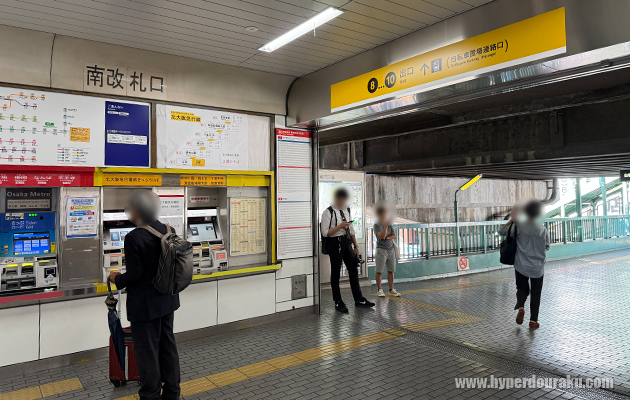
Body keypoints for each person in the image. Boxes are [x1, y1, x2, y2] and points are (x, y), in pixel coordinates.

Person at [109, 190, 181, 400]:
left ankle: (150, 395)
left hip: (145, 306)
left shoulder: (134, 237)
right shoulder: (169, 229)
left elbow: (135, 275)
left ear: (137, 212)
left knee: (147, 353)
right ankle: (172, 393)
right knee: (168, 347)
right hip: (167, 300)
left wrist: (115, 279)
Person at [321, 188, 375, 313]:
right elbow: (325, 233)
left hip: (347, 242)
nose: (342, 203)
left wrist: (356, 246)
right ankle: (338, 301)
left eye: (344, 200)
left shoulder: (347, 209)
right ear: (336, 199)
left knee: (353, 269)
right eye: (341, 200)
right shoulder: (328, 212)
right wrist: (340, 226)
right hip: (335, 243)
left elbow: (351, 230)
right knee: (336, 272)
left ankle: (359, 299)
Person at [499, 199, 550, 329]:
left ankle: (521, 306)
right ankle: (533, 320)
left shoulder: (519, 226)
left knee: (522, 288)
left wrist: (512, 220)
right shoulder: (543, 229)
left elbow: (501, 231)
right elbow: (547, 246)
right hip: (538, 267)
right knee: (536, 292)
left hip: (521, 264)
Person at [373, 205, 400, 297]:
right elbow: (382, 236)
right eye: (382, 214)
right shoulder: (376, 225)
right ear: (379, 215)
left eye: (385, 214)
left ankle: (391, 289)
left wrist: (386, 238)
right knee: (379, 270)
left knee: (391, 270)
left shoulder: (390, 225)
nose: (384, 216)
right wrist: (385, 227)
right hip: (381, 250)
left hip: (391, 250)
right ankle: (379, 289)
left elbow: (394, 236)